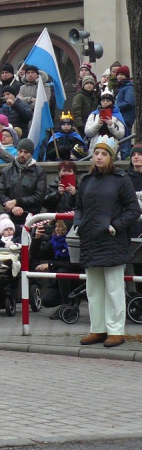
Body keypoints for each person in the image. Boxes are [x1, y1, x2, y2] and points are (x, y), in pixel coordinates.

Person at [74, 135, 142, 347]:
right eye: (96, 153)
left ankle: (116, 330)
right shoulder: (86, 180)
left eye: (103, 154)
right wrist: (78, 223)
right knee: (93, 289)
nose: (99, 157)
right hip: (91, 240)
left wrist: (115, 226)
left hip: (112, 241)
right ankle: (98, 328)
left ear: (111, 157)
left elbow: (133, 210)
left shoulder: (122, 180)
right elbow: (79, 207)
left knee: (114, 289)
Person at [0, 138, 47, 226]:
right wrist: (13, 207)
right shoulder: (7, 170)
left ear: (31, 154)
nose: (22, 154)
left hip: (30, 216)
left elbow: (39, 196)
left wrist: (17, 201)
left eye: (26, 152)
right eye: (20, 151)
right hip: (10, 215)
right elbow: (0, 193)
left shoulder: (39, 172)